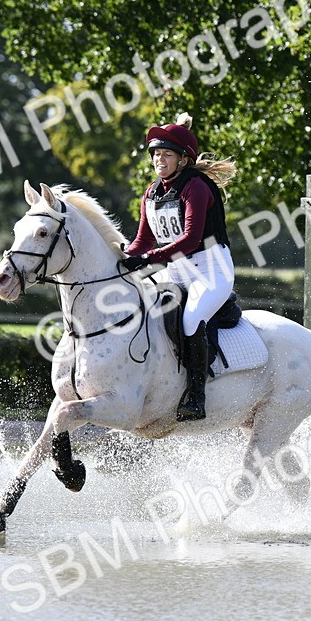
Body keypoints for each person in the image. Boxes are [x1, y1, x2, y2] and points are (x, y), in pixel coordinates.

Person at [121, 113, 236, 422]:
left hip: (210, 269)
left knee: (191, 319)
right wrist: (123, 257)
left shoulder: (196, 187)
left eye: (166, 154)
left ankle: (196, 397)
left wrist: (146, 260)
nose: (159, 159)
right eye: (156, 154)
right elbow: (143, 239)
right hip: (173, 270)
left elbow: (190, 239)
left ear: (183, 160)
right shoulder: (152, 192)